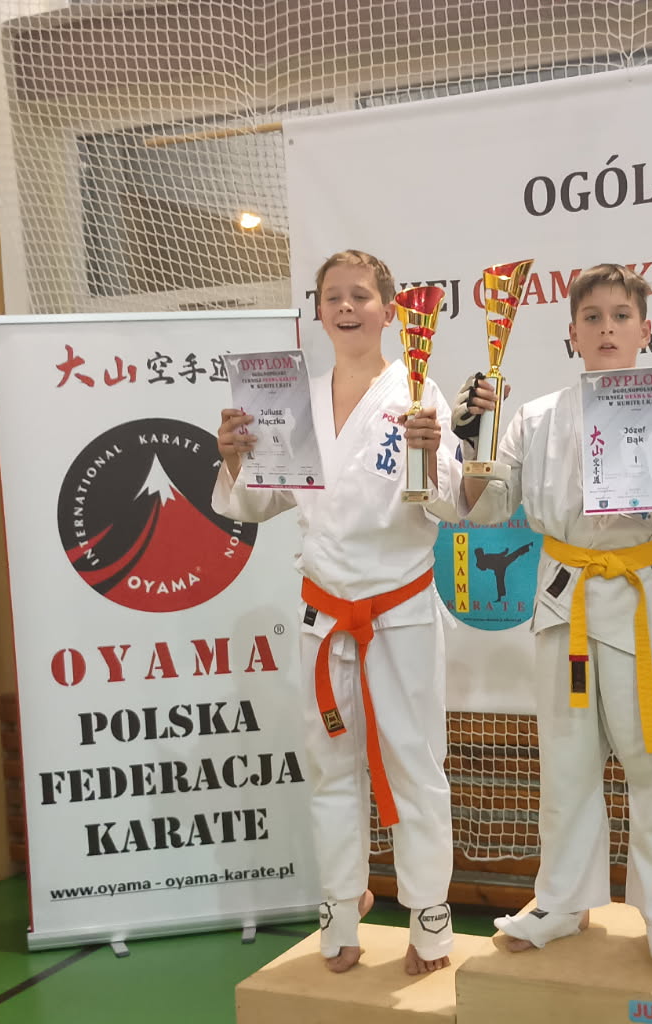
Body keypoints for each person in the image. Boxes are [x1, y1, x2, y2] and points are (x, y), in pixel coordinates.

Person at [453, 263, 652, 976]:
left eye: (620, 316)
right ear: (572, 333)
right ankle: (561, 901)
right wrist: (474, 442)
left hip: (641, 597)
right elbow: (485, 509)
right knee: (567, 759)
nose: (607, 329)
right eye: (593, 317)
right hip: (565, 594)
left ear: (646, 329)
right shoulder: (534, 417)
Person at [213, 250, 461, 976]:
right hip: (325, 612)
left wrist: (430, 454)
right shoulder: (293, 400)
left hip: (399, 606)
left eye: (360, 295)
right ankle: (341, 906)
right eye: (333, 297)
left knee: (414, 761)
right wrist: (235, 457)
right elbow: (259, 502)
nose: (346, 307)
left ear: (389, 309)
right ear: (318, 311)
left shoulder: (418, 391)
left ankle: (429, 913)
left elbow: (448, 502)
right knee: (329, 766)